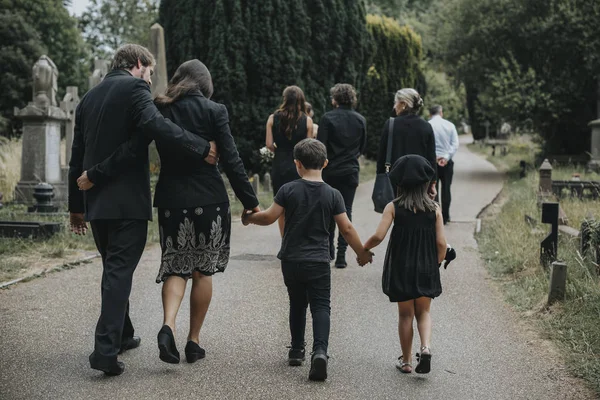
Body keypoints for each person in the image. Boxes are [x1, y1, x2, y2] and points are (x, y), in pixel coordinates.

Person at [69, 44, 218, 376]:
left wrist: (75, 208)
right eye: (150, 72)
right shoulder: (135, 87)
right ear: (138, 65)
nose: (151, 80)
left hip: (96, 205)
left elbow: (76, 154)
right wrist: (199, 146)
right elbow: (155, 128)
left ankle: (124, 334)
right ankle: (104, 352)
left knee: (113, 269)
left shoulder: (88, 99)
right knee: (119, 273)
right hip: (127, 204)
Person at [151, 60, 259, 364]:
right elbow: (232, 160)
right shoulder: (214, 111)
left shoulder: (161, 108)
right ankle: (193, 342)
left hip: (172, 198)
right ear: (205, 84)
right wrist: (249, 201)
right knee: (202, 270)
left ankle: (167, 326)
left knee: (175, 265)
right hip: (209, 200)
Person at [241, 138, 372, 381]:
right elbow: (347, 230)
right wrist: (361, 253)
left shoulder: (287, 190)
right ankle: (319, 352)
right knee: (321, 306)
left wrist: (249, 218)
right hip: (319, 261)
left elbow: (269, 217)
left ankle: (296, 349)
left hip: (291, 260)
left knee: (297, 304)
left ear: (297, 164)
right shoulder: (333, 194)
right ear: (325, 163)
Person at [363, 155, 447, 374]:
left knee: (405, 315)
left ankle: (407, 361)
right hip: (426, 267)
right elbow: (441, 243)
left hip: (402, 267)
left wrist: (363, 248)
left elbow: (379, 236)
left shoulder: (393, 207)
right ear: (425, 183)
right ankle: (426, 348)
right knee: (424, 312)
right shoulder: (434, 209)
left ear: (399, 182)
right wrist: (435, 263)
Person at [317, 83, 367, 268]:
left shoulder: (327, 118)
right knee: (346, 210)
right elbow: (362, 147)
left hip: (330, 171)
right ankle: (341, 256)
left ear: (335, 99)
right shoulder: (360, 119)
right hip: (350, 170)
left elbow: (320, 147)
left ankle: (328, 250)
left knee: (328, 211)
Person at [266, 86, 314, 236]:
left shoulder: (273, 118)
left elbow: (268, 144)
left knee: (282, 208)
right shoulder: (307, 121)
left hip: (279, 165)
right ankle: (298, 241)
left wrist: (280, 151)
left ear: (285, 99)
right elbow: (308, 147)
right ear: (301, 99)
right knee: (300, 206)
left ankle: (285, 240)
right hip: (299, 167)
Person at [376, 88, 437, 188]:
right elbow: (431, 158)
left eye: (396, 103)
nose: (394, 106)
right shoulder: (426, 126)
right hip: (419, 183)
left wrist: (380, 180)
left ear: (403, 104)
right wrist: (432, 183)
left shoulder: (391, 124)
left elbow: (381, 157)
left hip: (395, 182)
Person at [428, 105, 459, 224]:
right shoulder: (450, 125)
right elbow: (455, 144)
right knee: (446, 189)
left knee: (432, 190)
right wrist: (446, 157)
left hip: (432, 162)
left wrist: (433, 157)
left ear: (430, 114)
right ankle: (446, 217)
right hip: (446, 162)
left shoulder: (428, 125)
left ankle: (436, 217)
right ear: (441, 112)